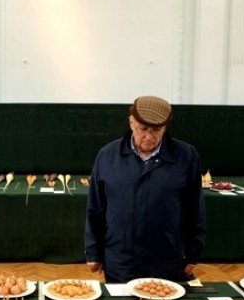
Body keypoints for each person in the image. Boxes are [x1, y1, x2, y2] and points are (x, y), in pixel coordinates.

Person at [84, 96, 206, 283]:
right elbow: (95, 208)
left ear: (165, 128)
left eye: (156, 130)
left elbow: (195, 209)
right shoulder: (107, 156)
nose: (148, 136)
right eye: (142, 129)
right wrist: (93, 251)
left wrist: (193, 254)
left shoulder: (186, 157)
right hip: (120, 259)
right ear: (131, 122)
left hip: (166, 260)